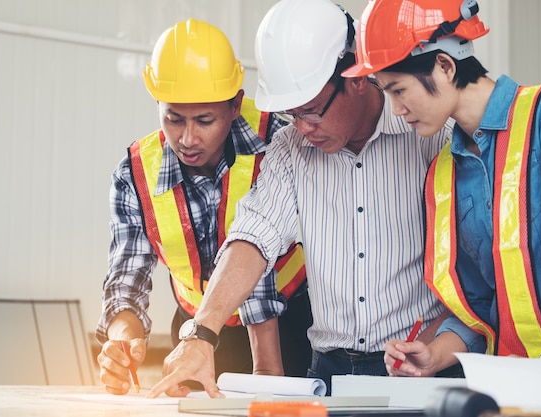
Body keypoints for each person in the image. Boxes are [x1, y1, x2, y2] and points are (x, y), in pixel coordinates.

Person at [147, 0, 453, 398]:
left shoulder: (430, 136)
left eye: (312, 111)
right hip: (326, 371)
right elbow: (252, 238)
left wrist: (437, 346)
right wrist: (200, 333)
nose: (303, 128)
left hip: (422, 366)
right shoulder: (290, 150)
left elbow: (475, 271)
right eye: (292, 114)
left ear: (356, 77)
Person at [343, 0, 541, 376]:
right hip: (517, 388)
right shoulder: (442, 174)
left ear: (445, 66)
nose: (396, 109)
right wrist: (434, 355)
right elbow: (479, 305)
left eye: (398, 90)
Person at [95, 18, 313, 395]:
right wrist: (122, 342)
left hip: (290, 325)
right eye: (173, 119)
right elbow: (127, 278)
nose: (187, 138)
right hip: (195, 330)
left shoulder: (280, 142)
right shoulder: (135, 175)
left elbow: (256, 248)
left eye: (205, 120)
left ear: (234, 105)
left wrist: (267, 369)